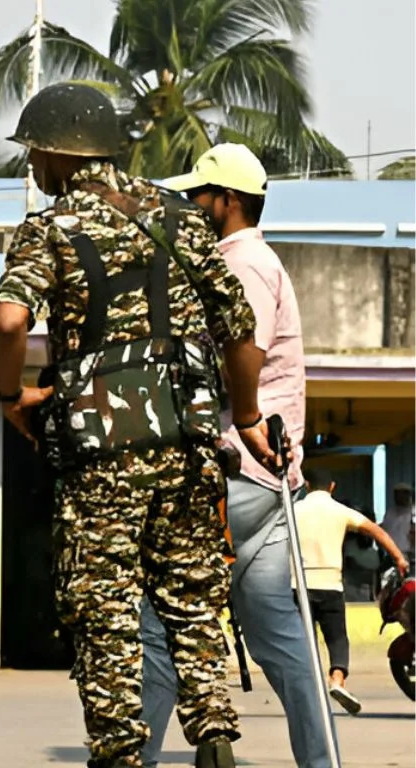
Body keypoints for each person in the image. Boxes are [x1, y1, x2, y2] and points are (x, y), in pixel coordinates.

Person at [0, 83, 277, 768]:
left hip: (100, 460)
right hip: (187, 447)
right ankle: (214, 737)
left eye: (34, 152)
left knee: (106, 609)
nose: (31, 164)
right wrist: (246, 416)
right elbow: (240, 334)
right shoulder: (182, 220)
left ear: (59, 154)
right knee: (191, 600)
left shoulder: (51, 228)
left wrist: (10, 394)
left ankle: (119, 751)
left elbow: (8, 319)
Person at [140, 143, 327, 768]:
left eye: (198, 194)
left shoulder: (241, 263)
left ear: (227, 201)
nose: (190, 204)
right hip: (268, 480)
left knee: (160, 621)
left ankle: (133, 756)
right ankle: (321, 761)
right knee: (281, 637)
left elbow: (240, 352)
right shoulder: (255, 260)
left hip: (234, 470)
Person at [295, 466, 409, 714]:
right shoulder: (340, 511)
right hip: (330, 585)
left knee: (302, 639)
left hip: (298, 587)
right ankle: (337, 681)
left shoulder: (294, 510)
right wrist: (399, 558)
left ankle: (305, 688)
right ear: (332, 487)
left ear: (306, 485)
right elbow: (376, 531)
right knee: (337, 638)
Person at [382, 483, 415, 566]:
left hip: (409, 555)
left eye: (402, 494)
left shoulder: (413, 512)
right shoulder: (390, 512)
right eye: (396, 494)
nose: (399, 497)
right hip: (390, 554)